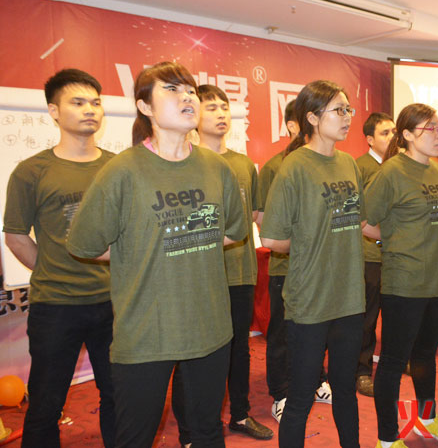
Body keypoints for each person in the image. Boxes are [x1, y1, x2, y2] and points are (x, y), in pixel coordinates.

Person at [66, 61, 247, 447]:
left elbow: (233, 230)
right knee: (136, 438)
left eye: (191, 90)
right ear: (144, 106)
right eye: (172, 89)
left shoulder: (217, 168)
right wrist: (140, 251)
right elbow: (85, 244)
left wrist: (184, 242)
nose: (187, 97)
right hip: (146, 332)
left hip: (210, 327)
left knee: (207, 432)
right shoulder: (123, 171)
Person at [3, 69, 116, 448]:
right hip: (56, 306)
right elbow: (16, 237)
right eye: (78, 102)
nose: (90, 110)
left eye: (95, 102)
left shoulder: (119, 167)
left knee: (119, 395)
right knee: (45, 404)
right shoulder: (31, 171)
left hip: (115, 303)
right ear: (54, 111)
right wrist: (55, 269)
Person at [260, 80, 365, 448]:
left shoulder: (348, 163)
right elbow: (272, 238)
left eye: (349, 109)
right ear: (312, 118)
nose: (347, 117)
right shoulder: (294, 167)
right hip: (310, 299)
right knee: (302, 394)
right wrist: (309, 243)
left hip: (349, 296)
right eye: (338, 110)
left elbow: (356, 219)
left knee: (345, 389)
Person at [171, 84, 272, 442]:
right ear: (194, 115)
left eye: (224, 107)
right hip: (201, 277)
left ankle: (240, 414)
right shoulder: (185, 162)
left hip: (240, 272)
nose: (220, 114)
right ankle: (189, 430)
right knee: (194, 354)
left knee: (239, 349)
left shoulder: (244, 164)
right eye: (211, 107)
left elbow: (255, 214)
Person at [365, 103, 438, 447]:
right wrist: (393, 238)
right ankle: (387, 438)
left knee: (425, 354)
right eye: (429, 128)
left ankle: (428, 418)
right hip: (405, 282)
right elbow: (364, 220)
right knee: (393, 361)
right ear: (406, 134)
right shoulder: (392, 172)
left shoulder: (435, 169)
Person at [257, 99, 333, 424]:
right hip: (285, 267)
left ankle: (317, 380)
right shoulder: (276, 166)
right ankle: (281, 392)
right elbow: (265, 221)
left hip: (321, 268)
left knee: (319, 329)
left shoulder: (326, 162)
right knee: (282, 333)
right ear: (292, 125)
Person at [354, 112, 395, 397]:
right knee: (367, 318)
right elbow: (358, 216)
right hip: (369, 254)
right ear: (369, 139)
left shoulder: (398, 166)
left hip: (396, 255)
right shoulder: (360, 167)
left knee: (394, 315)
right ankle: (362, 371)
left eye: (394, 132)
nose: (392, 137)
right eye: (384, 133)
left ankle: (393, 363)